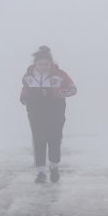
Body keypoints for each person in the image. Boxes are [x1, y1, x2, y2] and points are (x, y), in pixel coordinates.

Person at [20, 46, 77, 183]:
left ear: (51, 63)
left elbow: (73, 90)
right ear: (35, 64)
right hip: (35, 113)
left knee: (54, 139)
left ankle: (54, 167)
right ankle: (40, 172)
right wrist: (23, 97)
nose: (43, 67)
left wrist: (54, 92)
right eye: (40, 64)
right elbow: (25, 87)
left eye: (46, 64)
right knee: (38, 140)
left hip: (55, 113)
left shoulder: (60, 74)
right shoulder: (29, 75)